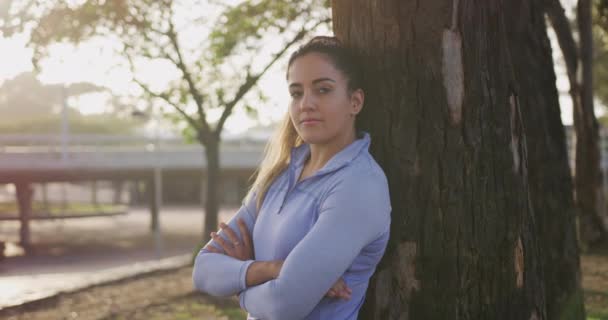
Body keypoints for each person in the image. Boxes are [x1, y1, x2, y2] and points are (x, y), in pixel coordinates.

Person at [192, 36, 391, 320]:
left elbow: (282, 305)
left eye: (323, 90)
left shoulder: (359, 186)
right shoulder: (279, 175)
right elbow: (203, 270)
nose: (306, 104)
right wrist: (271, 270)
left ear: (355, 102)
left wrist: (238, 283)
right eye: (296, 93)